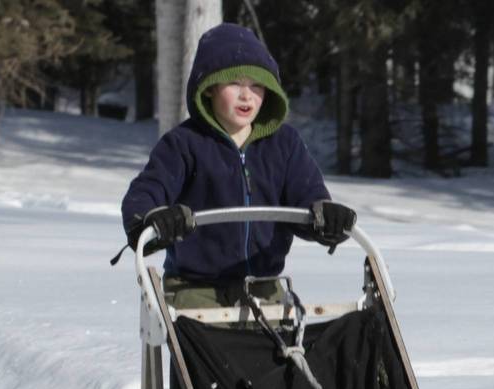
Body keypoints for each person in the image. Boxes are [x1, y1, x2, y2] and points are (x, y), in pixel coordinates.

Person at [121, 23, 356, 309]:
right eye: (235, 84)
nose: (247, 96)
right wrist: (152, 218)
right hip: (196, 287)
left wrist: (325, 217)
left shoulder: (284, 144)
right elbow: (147, 191)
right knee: (204, 348)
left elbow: (307, 197)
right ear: (208, 89)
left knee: (286, 351)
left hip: (265, 286)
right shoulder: (184, 144)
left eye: (257, 85)